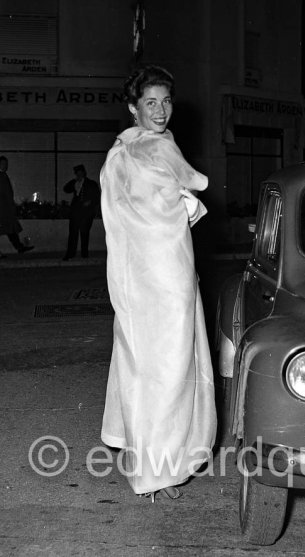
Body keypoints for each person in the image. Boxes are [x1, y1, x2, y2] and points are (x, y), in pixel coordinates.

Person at [99, 65, 216, 501]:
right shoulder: (152, 150)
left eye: (166, 101)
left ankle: (149, 460)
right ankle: (156, 471)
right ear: (133, 107)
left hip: (138, 277)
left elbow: (129, 214)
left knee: (143, 365)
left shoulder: (118, 154)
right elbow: (193, 190)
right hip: (163, 276)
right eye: (151, 102)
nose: (161, 110)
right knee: (168, 369)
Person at [62, 164, 100, 260]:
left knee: (84, 233)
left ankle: (84, 254)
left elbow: (97, 196)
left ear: (84, 173)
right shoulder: (75, 182)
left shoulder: (91, 183)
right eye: (77, 173)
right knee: (73, 233)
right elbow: (65, 189)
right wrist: (74, 182)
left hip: (86, 213)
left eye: (80, 172)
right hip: (75, 211)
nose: (79, 174)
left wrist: (90, 202)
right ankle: (70, 254)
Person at [0, 155, 34, 258]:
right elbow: (5, 193)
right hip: (3, 208)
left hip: (5, 208)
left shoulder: (3, 175)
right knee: (10, 228)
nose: (6, 166)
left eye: (6, 164)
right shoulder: (1, 176)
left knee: (10, 229)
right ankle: (19, 247)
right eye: (3, 164)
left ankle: (19, 247)